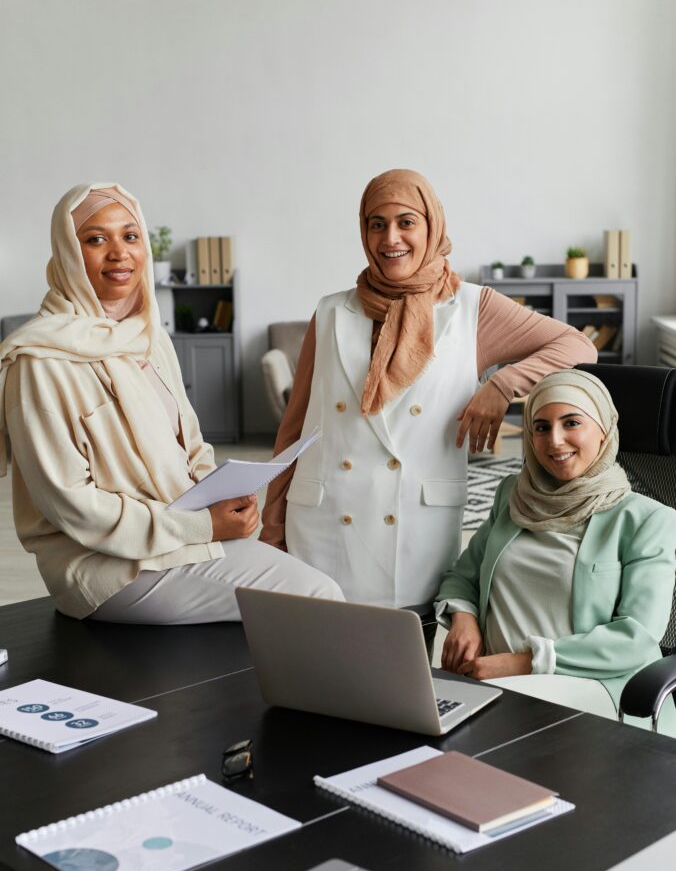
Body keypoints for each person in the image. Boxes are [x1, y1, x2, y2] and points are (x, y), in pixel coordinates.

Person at [0, 183, 342, 623]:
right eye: (96, 239)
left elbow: (192, 442)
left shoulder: (148, 337)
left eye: (130, 235)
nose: (119, 253)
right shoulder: (39, 363)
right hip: (107, 569)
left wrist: (224, 499)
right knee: (319, 594)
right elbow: (72, 505)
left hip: (178, 537)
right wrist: (203, 526)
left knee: (310, 581)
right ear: (67, 251)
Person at [260, 169, 596, 607]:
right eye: (376, 224)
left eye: (406, 222)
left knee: (405, 661)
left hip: (412, 525)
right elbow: (295, 427)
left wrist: (504, 383)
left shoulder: (472, 309)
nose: (390, 238)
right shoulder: (331, 312)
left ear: (431, 224)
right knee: (318, 662)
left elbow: (578, 345)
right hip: (324, 524)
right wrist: (272, 524)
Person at [437, 369, 676, 734]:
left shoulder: (646, 520)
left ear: (604, 430)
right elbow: (462, 576)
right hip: (496, 681)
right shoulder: (512, 495)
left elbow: (637, 640)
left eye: (572, 423)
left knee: (457, 740)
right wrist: (464, 620)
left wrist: (524, 663)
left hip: (592, 686)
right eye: (542, 427)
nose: (555, 441)